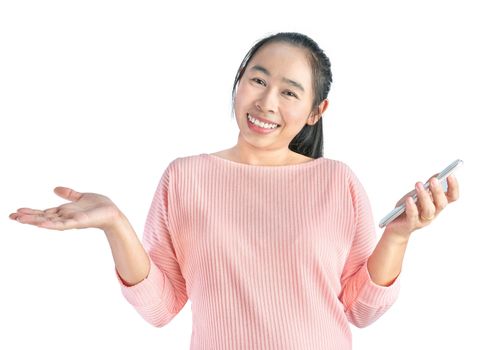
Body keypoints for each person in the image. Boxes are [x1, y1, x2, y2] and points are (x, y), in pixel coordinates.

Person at [9, 32, 460, 349]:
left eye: (289, 92)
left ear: (315, 111)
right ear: (239, 81)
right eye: (259, 80)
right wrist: (115, 224)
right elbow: (161, 309)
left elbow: (360, 311)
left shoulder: (336, 181)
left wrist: (398, 236)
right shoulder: (184, 178)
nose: (266, 103)